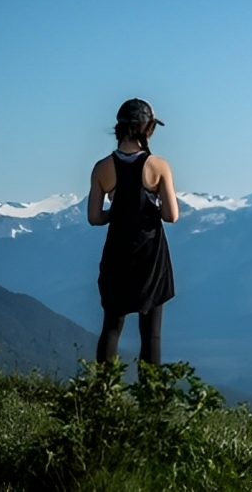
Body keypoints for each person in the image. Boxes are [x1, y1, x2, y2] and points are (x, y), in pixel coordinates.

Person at [87, 98, 179, 368]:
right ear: (147, 129)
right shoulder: (158, 166)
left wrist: (117, 214)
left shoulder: (102, 168)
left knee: (112, 326)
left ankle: (104, 389)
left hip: (117, 252)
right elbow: (171, 215)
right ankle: (149, 396)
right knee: (151, 332)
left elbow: (95, 217)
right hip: (150, 255)